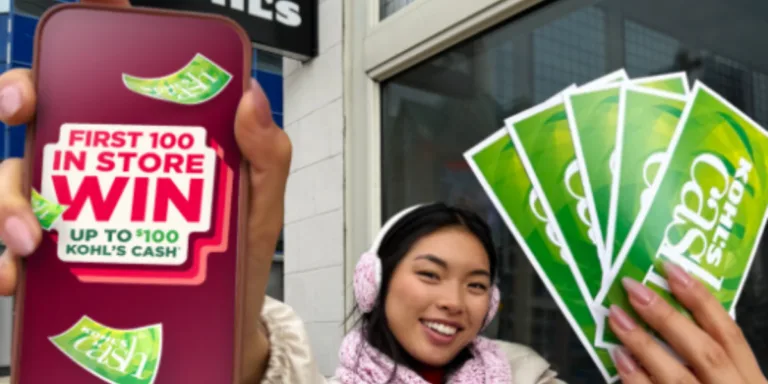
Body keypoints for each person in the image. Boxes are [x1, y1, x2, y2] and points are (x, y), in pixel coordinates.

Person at [0, 2, 766, 383]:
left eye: (475, 284)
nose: (454, 302)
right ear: (374, 280)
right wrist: (178, 300)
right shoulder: (314, 372)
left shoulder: (527, 376)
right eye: (430, 273)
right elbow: (244, 364)